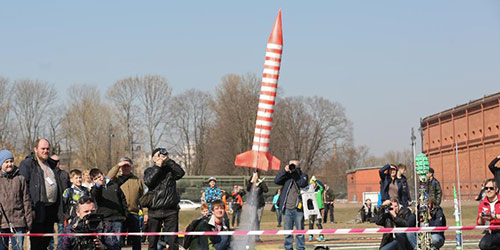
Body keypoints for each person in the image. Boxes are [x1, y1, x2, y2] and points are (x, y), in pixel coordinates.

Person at [19, 138, 64, 250]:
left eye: (47, 148)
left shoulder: (52, 165)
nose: (45, 151)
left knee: (46, 242)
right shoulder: (28, 164)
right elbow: (23, 188)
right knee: (37, 244)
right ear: (35, 149)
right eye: (42, 148)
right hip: (37, 210)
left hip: (51, 210)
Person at [144, 147, 185, 250]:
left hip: (170, 210)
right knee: (152, 242)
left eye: (162, 155)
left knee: (173, 242)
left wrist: (168, 161)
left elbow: (181, 173)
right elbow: (148, 182)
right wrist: (158, 167)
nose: (161, 157)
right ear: (153, 158)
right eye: (158, 155)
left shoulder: (170, 170)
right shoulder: (149, 170)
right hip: (154, 210)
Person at [107, 157, 146, 250]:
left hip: (134, 214)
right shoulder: (115, 180)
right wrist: (117, 166)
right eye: (123, 166)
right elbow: (108, 177)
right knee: (119, 239)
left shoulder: (137, 180)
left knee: (136, 239)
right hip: (120, 214)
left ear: (131, 167)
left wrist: (146, 213)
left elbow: (143, 199)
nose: (125, 168)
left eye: (127, 166)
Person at [0, 150, 32, 250]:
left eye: (11, 161)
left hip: (18, 221)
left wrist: (28, 221)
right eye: (6, 162)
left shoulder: (20, 179)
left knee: (18, 248)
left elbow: (26, 201)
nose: (9, 164)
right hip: (2, 223)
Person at [274, 160, 309, 250]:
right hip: (287, 207)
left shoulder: (303, 175)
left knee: (300, 230)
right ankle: (288, 247)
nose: (292, 166)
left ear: (298, 166)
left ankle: (300, 248)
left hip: (298, 207)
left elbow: (302, 183)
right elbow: (276, 180)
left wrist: (294, 173)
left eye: (294, 165)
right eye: (291, 165)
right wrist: (284, 171)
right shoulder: (287, 176)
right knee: (287, 231)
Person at [90, 168, 128, 248]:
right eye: (95, 179)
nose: (99, 179)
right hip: (104, 220)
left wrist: (125, 214)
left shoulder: (114, 185)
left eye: (99, 176)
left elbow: (123, 200)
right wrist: (98, 186)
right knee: (104, 243)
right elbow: (95, 195)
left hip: (117, 218)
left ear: (103, 175)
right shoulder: (94, 189)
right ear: (93, 181)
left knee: (116, 242)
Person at [477, 178, 500, 250]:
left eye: (491, 188)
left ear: (496, 190)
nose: (488, 190)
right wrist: (481, 217)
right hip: (492, 231)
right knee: (483, 245)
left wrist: (494, 216)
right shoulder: (482, 203)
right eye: (486, 188)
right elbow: (479, 223)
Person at [246, 171, 268, 242]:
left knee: (258, 221)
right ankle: (249, 237)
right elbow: (248, 189)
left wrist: (260, 182)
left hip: (260, 204)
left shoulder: (261, 183)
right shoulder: (250, 182)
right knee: (252, 220)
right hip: (252, 204)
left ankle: (257, 237)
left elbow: (266, 190)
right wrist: (252, 180)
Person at [307, 176, 325, 242]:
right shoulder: (309, 191)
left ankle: (321, 236)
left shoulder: (319, 190)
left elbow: (322, 186)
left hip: (318, 208)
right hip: (312, 208)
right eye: (312, 183)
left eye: (314, 183)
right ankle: (310, 236)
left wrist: (316, 180)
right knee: (311, 222)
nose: (313, 184)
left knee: (318, 222)